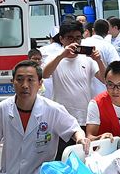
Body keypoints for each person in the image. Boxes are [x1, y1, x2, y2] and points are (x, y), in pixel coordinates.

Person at [42, 21, 105, 157]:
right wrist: (62, 56)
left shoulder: (87, 60)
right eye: (70, 38)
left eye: (78, 38)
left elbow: (105, 80)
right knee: (61, 157)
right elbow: (45, 74)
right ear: (61, 39)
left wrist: (99, 60)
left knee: (83, 158)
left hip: (83, 118)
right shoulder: (55, 59)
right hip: (61, 119)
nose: (75, 42)